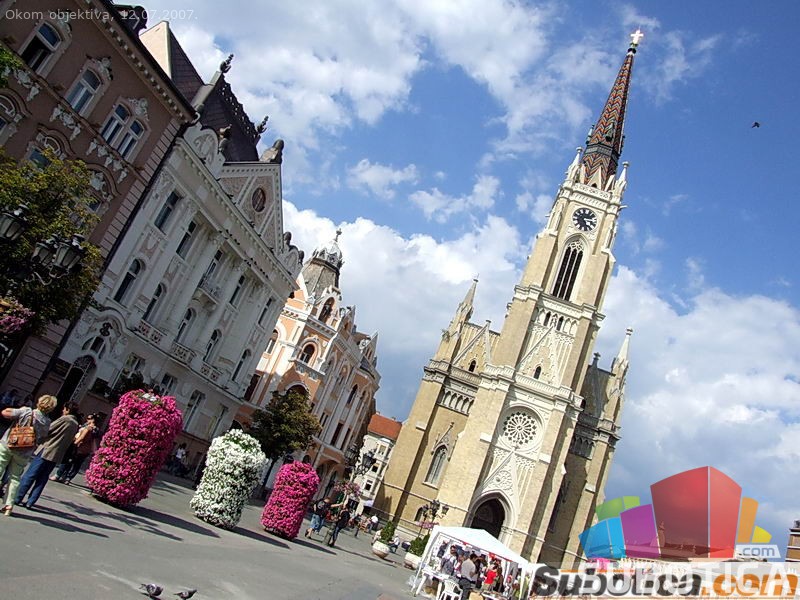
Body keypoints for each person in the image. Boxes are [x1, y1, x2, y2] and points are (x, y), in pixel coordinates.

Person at [15, 401, 80, 509]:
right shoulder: (75, 423)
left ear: (68, 409)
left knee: (30, 475)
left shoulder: (65, 419)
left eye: (64, 409)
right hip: (57, 454)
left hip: (47, 449)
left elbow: (48, 429)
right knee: (42, 479)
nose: (63, 411)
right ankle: (31, 501)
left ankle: (18, 497)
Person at [0, 395, 57, 515]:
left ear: (39, 402)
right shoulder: (47, 422)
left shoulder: (27, 411)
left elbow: (6, 413)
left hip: (9, 443)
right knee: (15, 477)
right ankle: (9, 505)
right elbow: (42, 437)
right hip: (25, 451)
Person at [52, 413, 101, 484]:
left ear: (93, 420)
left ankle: (60, 475)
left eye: (89, 418)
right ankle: (68, 478)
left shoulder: (88, 428)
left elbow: (82, 437)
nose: (87, 420)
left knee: (68, 461)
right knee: (77, 465)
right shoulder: (96, 430)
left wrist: (74, 444)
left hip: (79, 446)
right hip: (86, 449)